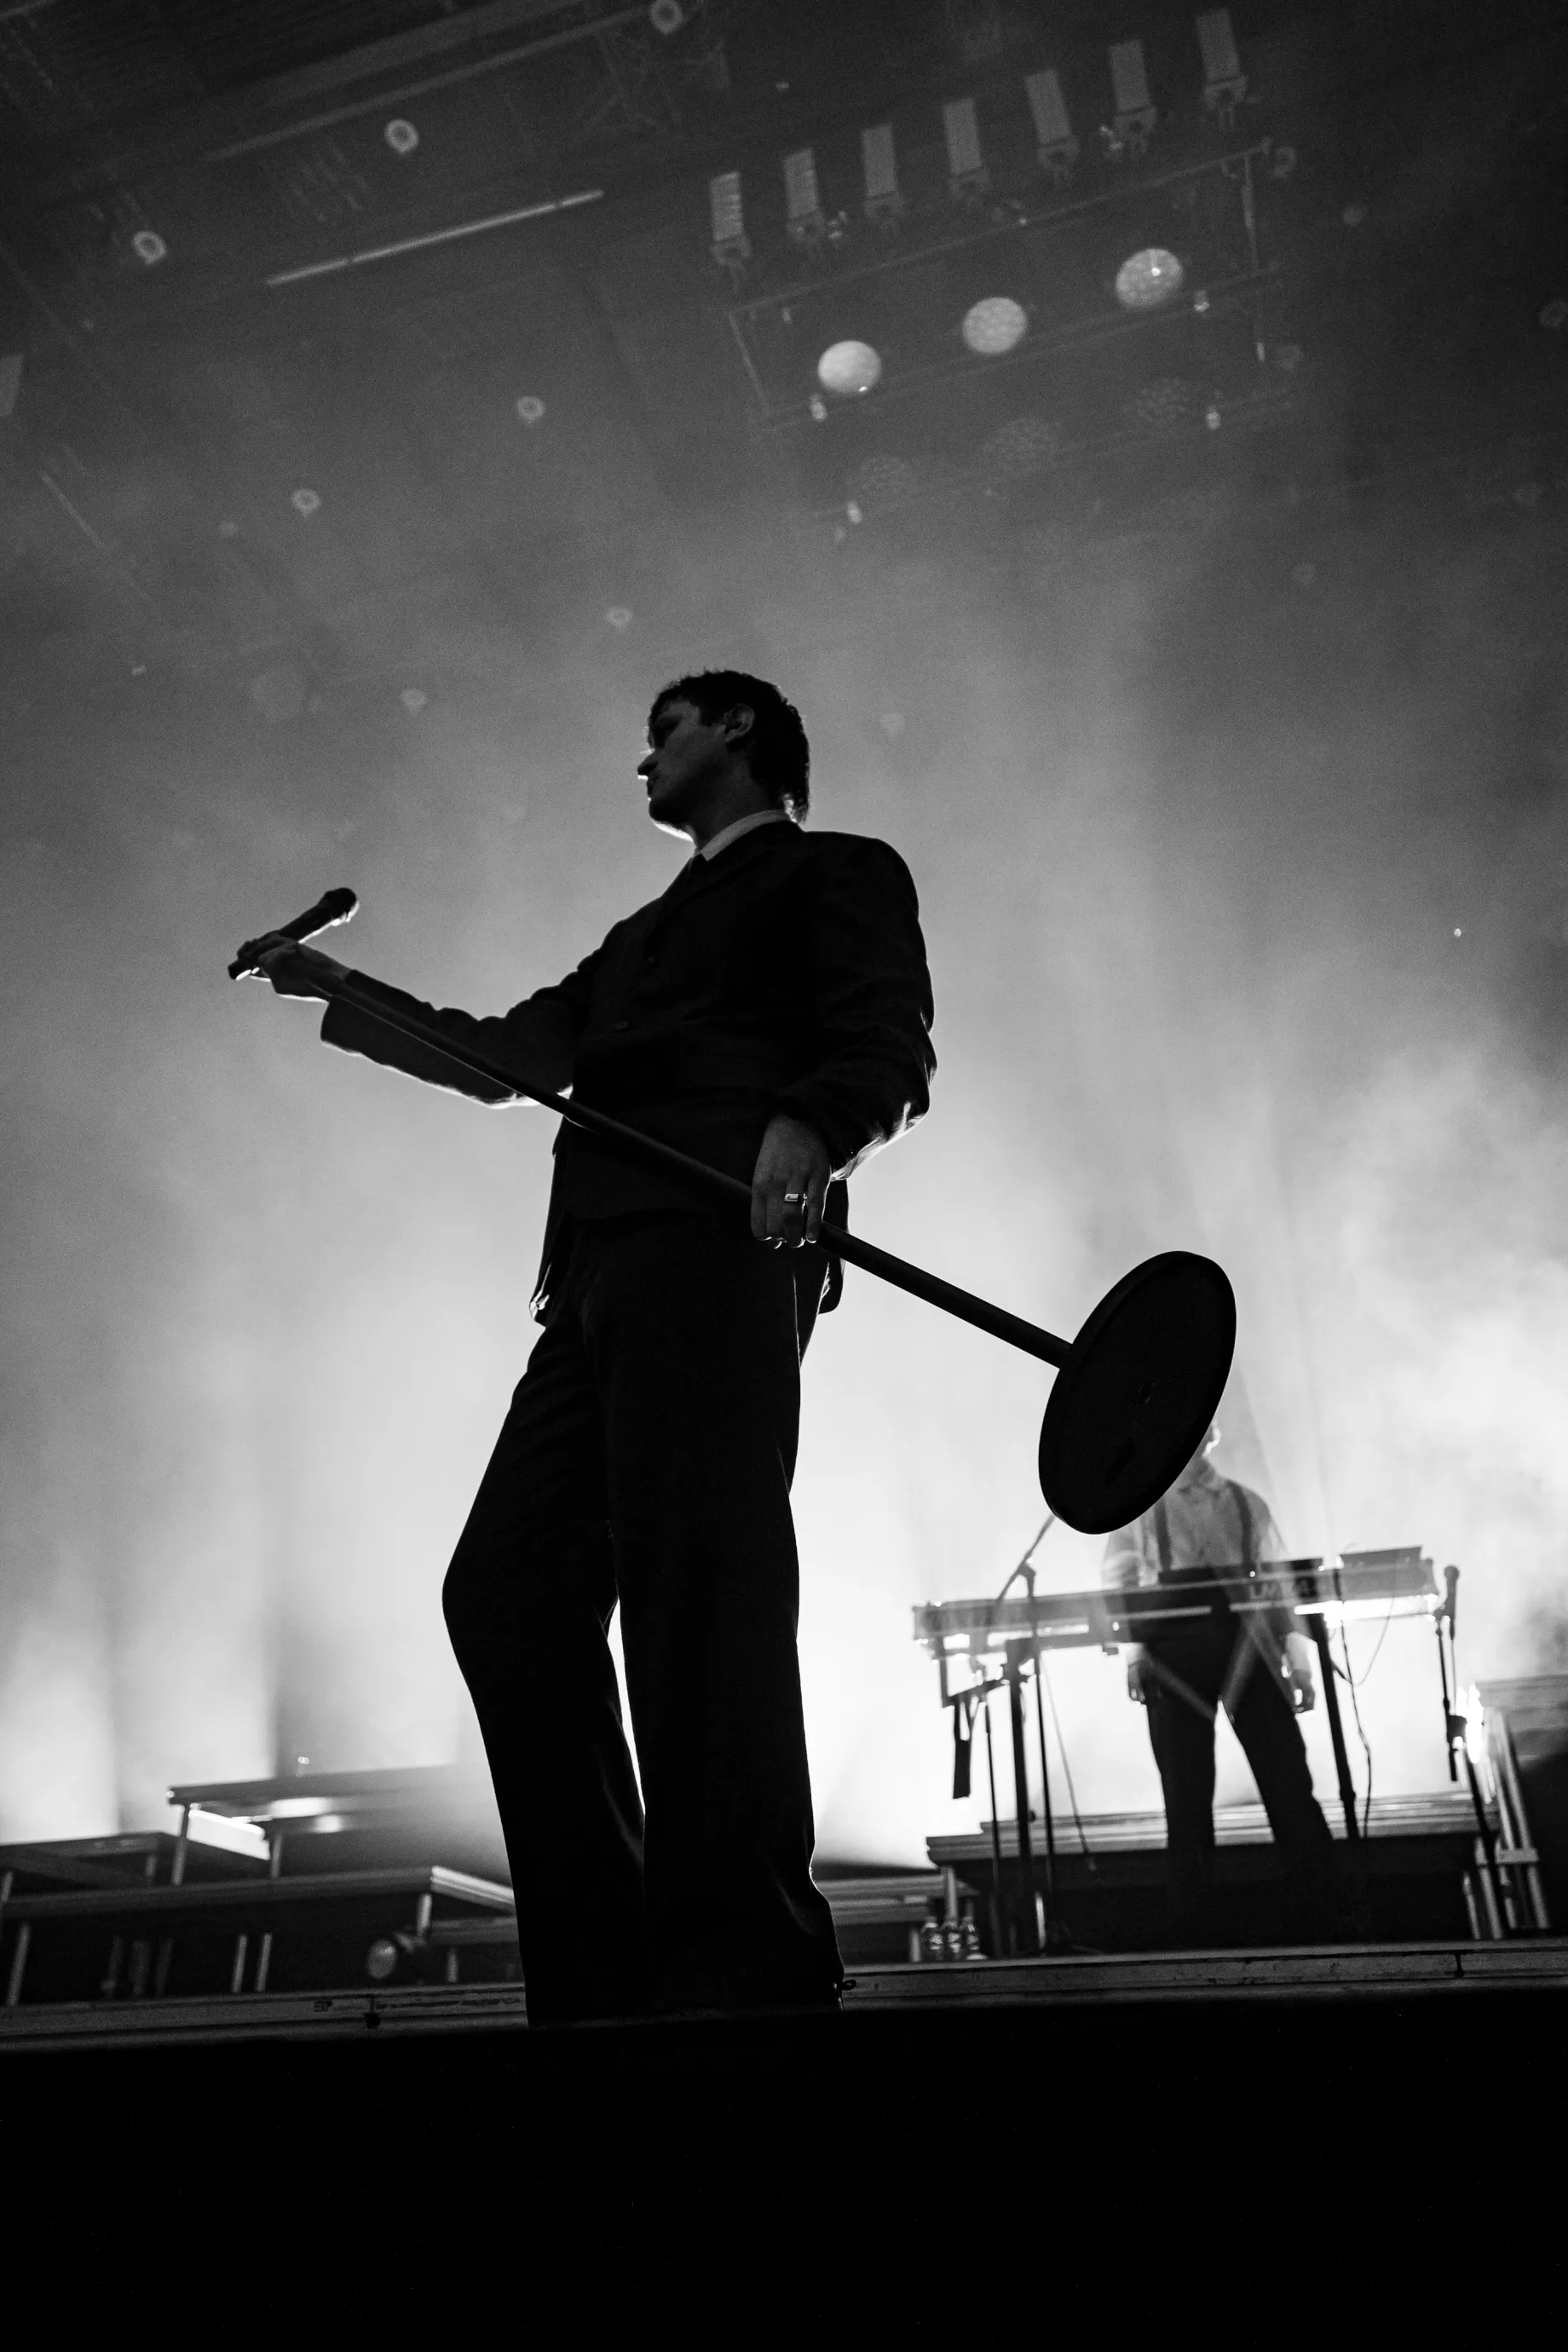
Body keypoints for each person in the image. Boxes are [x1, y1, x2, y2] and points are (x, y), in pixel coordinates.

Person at [251, 671, 936, 2021]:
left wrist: (814, 1123)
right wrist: (340, 989)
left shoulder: (839, 871)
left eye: (663, 731)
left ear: (738, 728)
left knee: (699, 1587)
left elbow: (887, 1040)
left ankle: (744, 1962)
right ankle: (603, 1970)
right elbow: (507, 1058)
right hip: (594, 1280)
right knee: (508, 1592)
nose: (643, 759)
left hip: (718, 1244)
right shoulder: (635, 940)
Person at [1103, 1424, 1337, 1943]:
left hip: (1249, 1647)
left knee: (1288, 1783)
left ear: (1211, 1438)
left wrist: (1299, 1662)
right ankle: (1193, 1930)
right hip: (1173, 1654)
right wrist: (1133, 1655)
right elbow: (1118, 1584)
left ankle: (1322, 1914)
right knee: (1185, 1796)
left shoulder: (1247, 1503)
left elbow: (1282, 1587)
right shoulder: (1140, 1510)